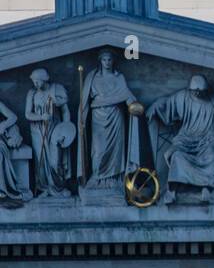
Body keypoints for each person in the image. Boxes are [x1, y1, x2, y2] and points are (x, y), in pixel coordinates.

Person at [146, 75, 214, 204]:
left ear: (206, 90)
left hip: (207, 140)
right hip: (186, 139)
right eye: (194, 90)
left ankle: (206, 188)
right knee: (177, 156)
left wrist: (213, 135)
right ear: (190, 89)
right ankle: (172, 191)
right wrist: (156, 106)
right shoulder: (183, 97)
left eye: (200, 91)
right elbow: (168, 103)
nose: (197, 93)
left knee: (212, 156)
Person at [77, 51, 144, 191]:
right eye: (104, 60)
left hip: (116, 116)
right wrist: (81, 118)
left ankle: (114, 180)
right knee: (98, 151)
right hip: (98, 117)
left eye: (109, 60)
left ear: (113, 61)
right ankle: (97, 178)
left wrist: (134, 105)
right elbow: (84, 103)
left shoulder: (119, 78)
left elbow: (127, 95)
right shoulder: (92, 78)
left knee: (116, 151)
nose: (107, 62)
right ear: (100, 61)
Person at [26, 68, 73, 197]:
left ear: (45, 79)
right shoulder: (32, 93)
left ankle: (58, 187)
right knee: (40, 163)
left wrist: (66, 129)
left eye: (37, 81)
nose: (35, 84)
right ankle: (44, 188)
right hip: (37, 132)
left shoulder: (56, 89)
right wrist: (41, 117)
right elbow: (28, 114)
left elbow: (65, 111)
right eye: (33, 81)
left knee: (55, 160)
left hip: (55, 130)